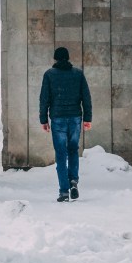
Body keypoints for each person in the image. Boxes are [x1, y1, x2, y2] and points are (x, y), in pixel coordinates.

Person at [39, 46, 92, 202]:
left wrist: (43, 120)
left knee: (61, 154)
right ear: (68, 58)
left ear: (55, 58)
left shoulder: (49, 75)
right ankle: (73, 180)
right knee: (73, 150)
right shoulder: (78, 74)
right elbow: (86, 97)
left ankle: (64, 191)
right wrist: (87, 118)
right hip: (75, 118)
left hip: (58, 119)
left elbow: (44, 99)